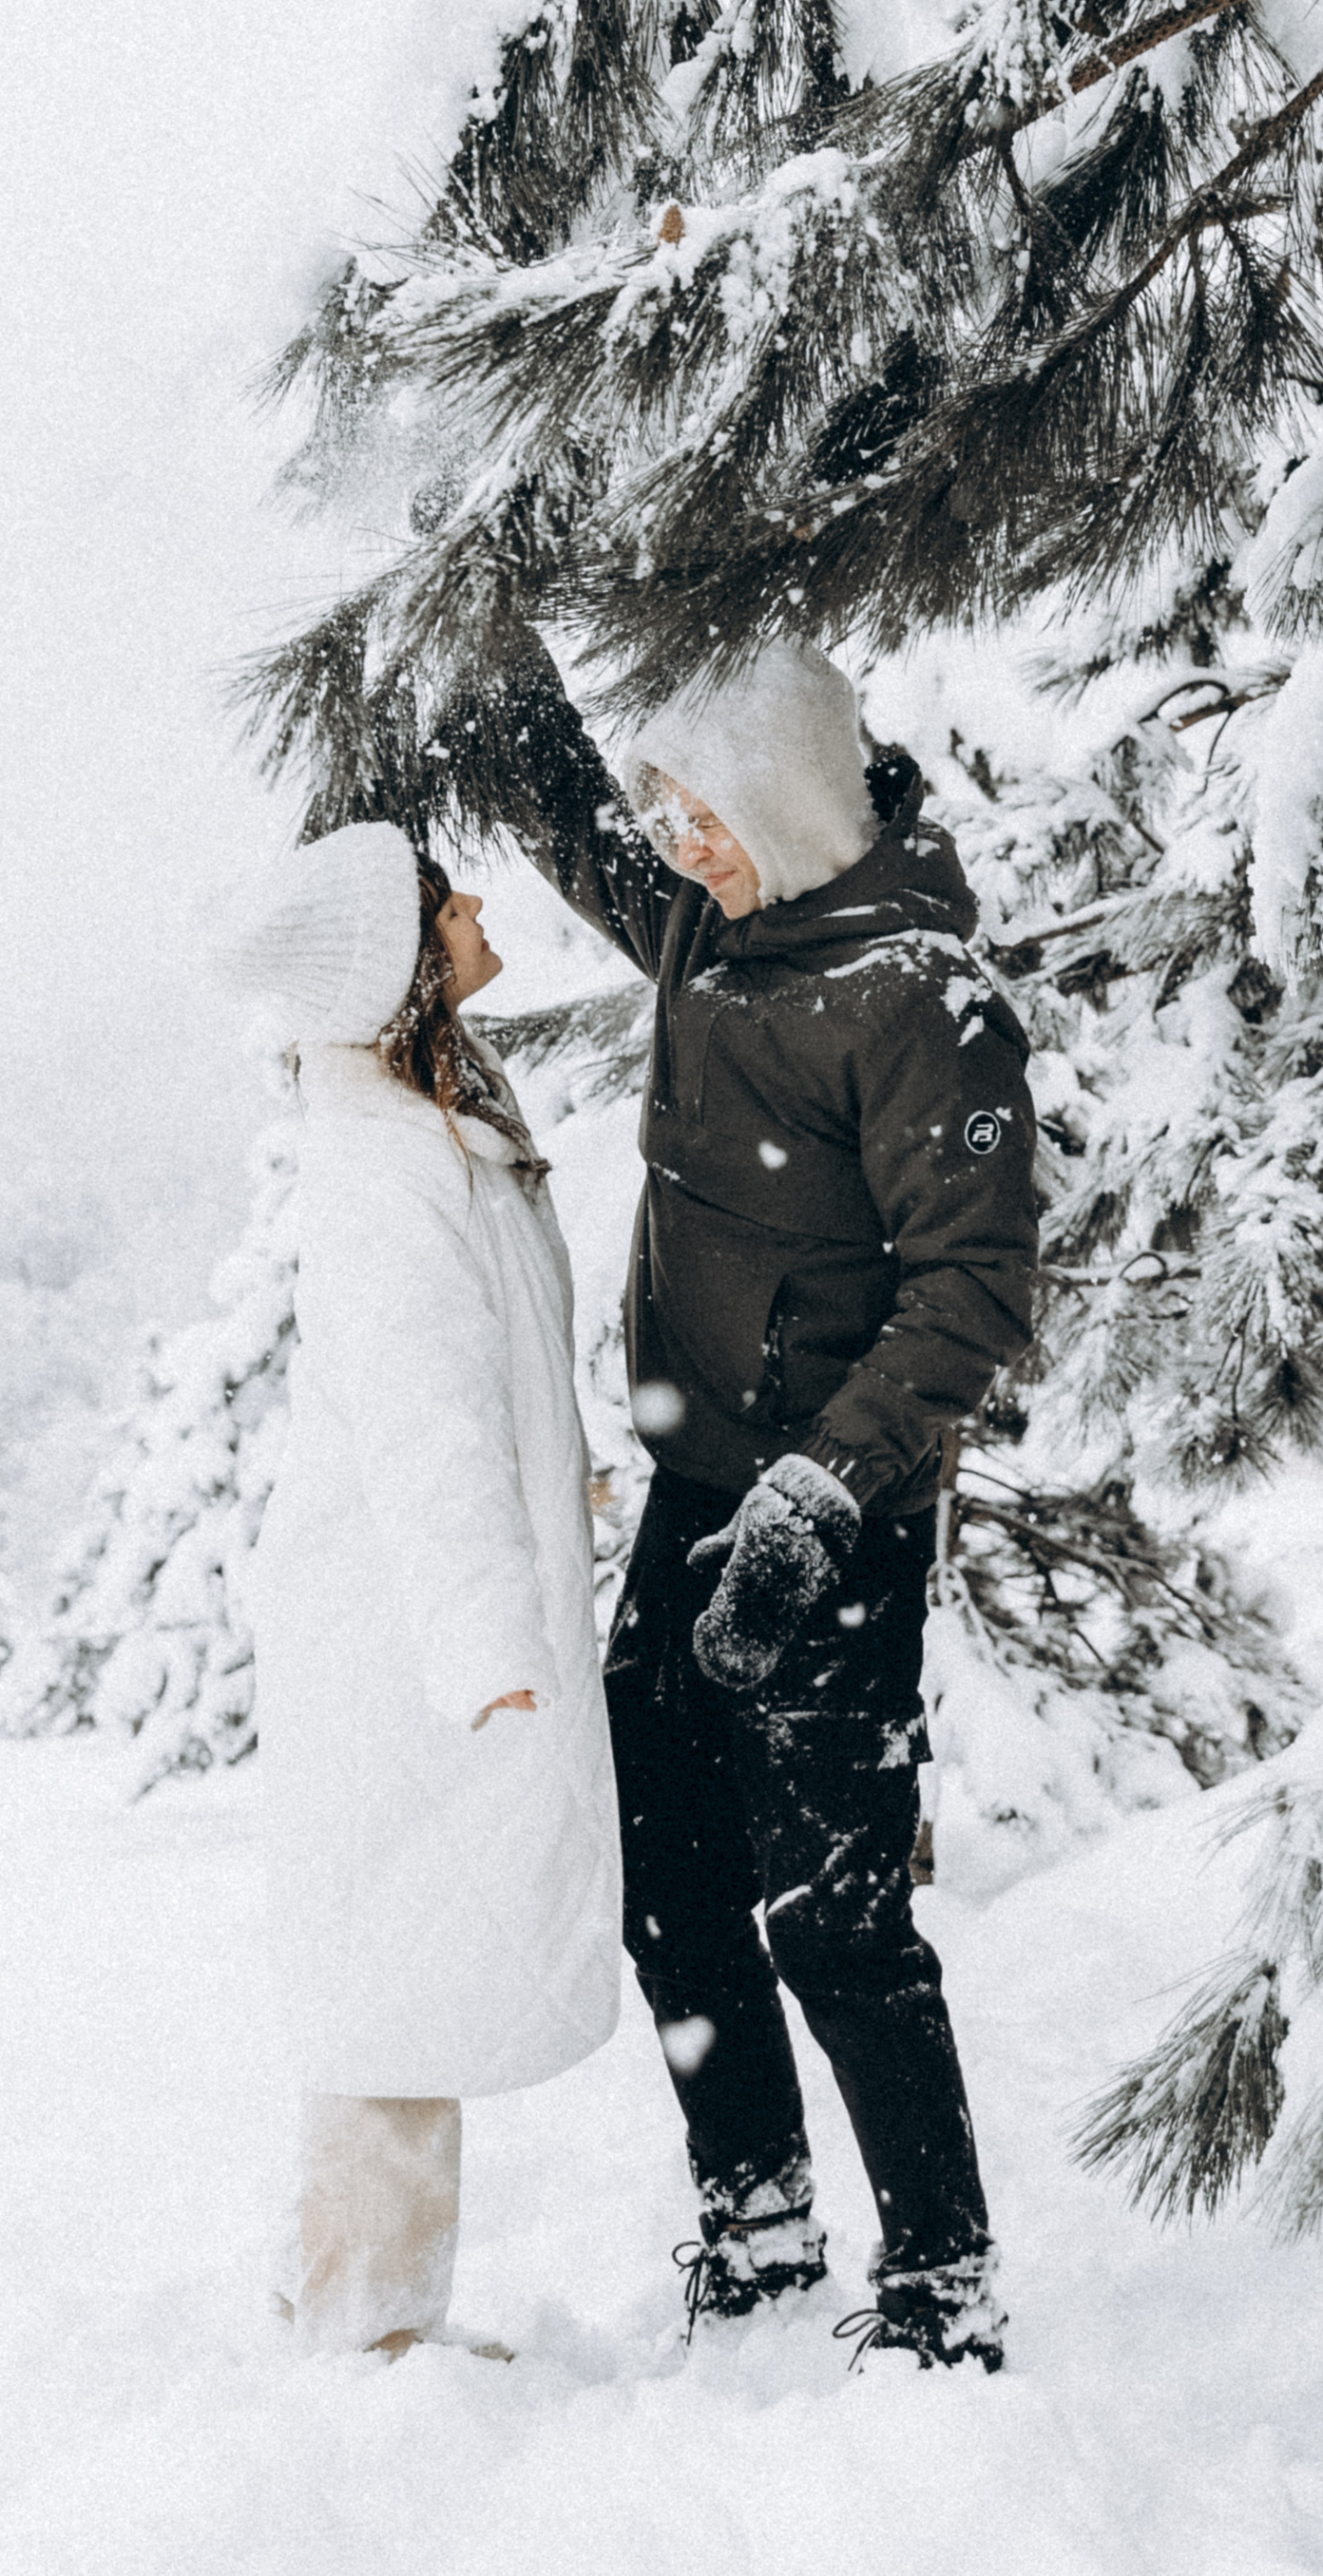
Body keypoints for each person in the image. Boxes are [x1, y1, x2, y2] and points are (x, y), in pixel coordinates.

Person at [504, 633, 1039, 2371]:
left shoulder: (916, 1001)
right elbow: (575, 824)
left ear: (791, 804)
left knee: (836, 1913)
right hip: (695, 1496)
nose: (675, 840)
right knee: (663, 1872)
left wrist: (821, 1499)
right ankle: (755, 2215)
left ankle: (944, 2285)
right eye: (670, 805)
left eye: (706, 809)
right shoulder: (713, 925)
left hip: (837, 1519)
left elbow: (973, 1292)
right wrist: (477, 646)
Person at [231, 821, 620, 2357]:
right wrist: (486, 1642)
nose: (472, 904)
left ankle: (346, 2294)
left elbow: (490, 1390)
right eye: (437, 899)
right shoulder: (391, 1164)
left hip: (429, 1619)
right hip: (402, 1632)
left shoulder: (426, 1120)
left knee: (407, 1962)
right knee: (397, 1974)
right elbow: (423, 1428)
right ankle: (363, 2331)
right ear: (390, 970)